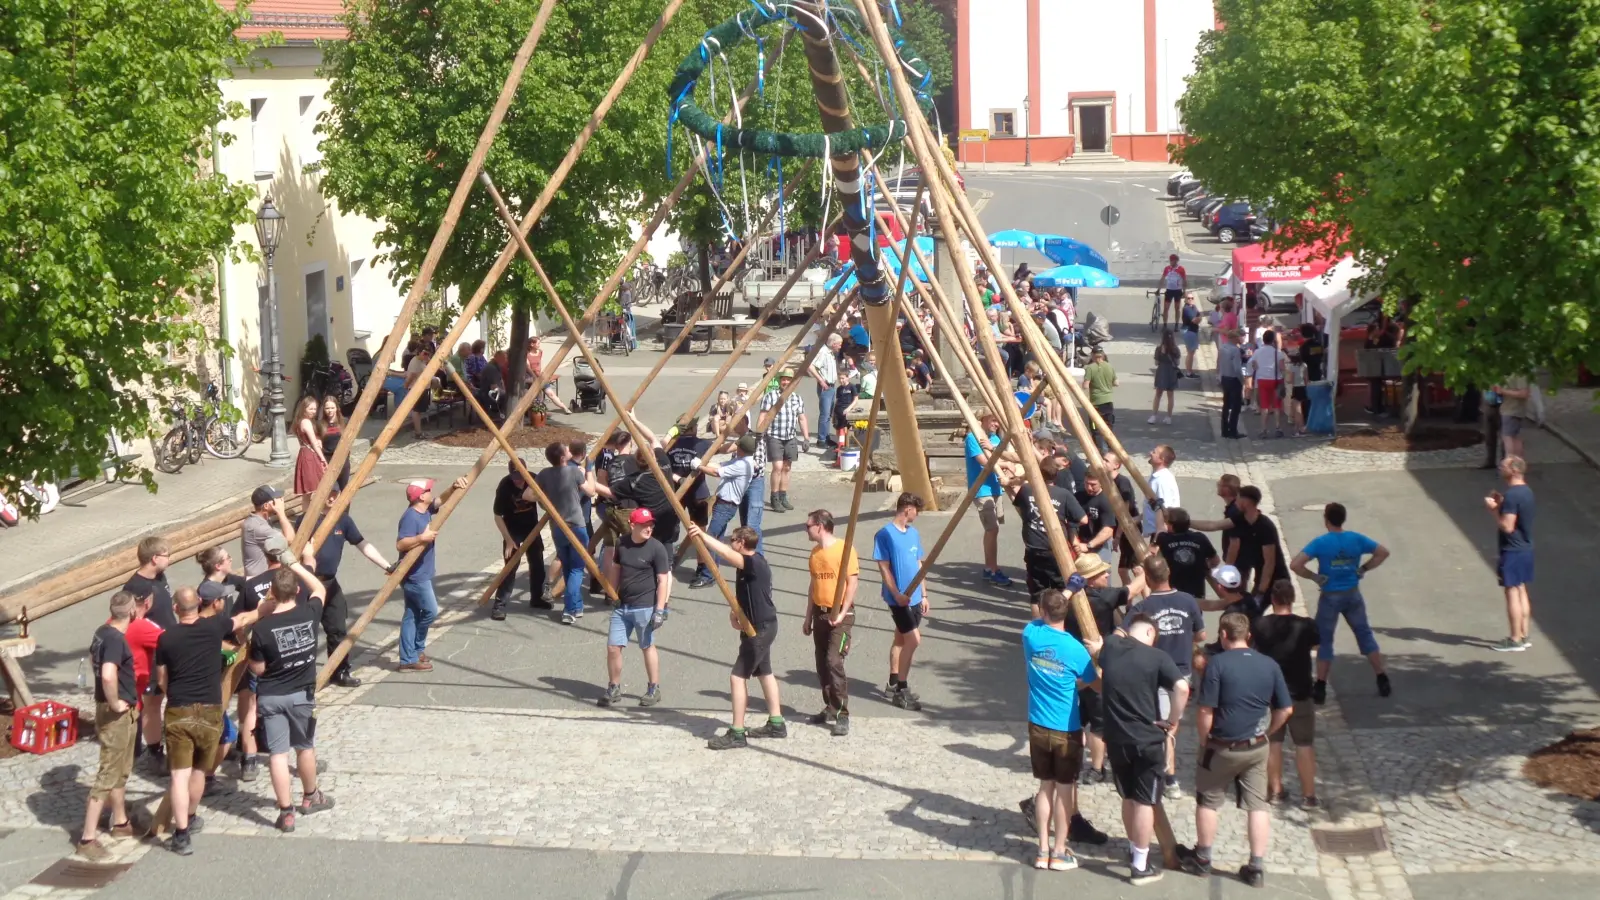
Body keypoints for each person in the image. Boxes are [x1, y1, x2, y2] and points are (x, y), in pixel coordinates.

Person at [156, 583, 275, 855]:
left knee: (178, 776)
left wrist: (172, 694)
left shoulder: (166, 638)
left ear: (175, 609)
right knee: (199, 771)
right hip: (209, 709)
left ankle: (181, 833)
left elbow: (162, 679)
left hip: (178, 710)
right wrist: (266, 607)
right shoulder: (212, 628)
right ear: (198, 603)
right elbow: (243, 619)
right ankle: (193, 815)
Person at [1178, 613, 1293, 889]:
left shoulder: (1217, 665)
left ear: (1223, 635)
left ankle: (1203, 859)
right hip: (1256, 747)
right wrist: (1267, 732)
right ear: (1248, 636)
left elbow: (1206, 710)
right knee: (1258, 805)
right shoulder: (1269, 664)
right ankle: (1256, 867)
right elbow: (1286, 708)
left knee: (1208, 801)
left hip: (1222, 746)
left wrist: (1206, 740)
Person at [1100, 612, 1189, 885]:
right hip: (1147, 740)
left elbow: (1112, 636)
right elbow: (1182, 688)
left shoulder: (1111, 648)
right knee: (1145, 801)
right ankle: (1140, 865)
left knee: (1127, 797)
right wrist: (1173, 721)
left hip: (1116, 739)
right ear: (1151, 633)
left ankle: (1132, 847)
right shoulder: (1158, 657)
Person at [249, 561, 333, 834]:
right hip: (301, 695)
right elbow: (319, 587)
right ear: (297, 591)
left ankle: (286, 812)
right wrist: (297, 565)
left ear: (272, 593)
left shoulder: (262, 629)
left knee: (277, 754)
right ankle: (311, 796)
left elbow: (258, 668)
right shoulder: (309, 613)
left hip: (271, 696)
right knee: (305, 747)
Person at [1022, 589, 1101, 872]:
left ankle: (1042, 850)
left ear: (1043, 611)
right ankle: (1059, 851)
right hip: (1066, 729)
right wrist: (1098, 653)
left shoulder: (1031, 635)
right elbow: (1097, 685)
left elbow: (1039, 618)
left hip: (1038, 725)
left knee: (1045, 787)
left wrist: (1065, 591)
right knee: (1065, 791)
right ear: (1066, 613)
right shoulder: (1075, 649)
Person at [693, 525, 786, 750]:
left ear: (742, 543)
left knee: (737, 677)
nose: (730, 542)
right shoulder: (751, 564)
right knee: (765, 672)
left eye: (733, 539)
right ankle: (776, 723)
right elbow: (748, 592)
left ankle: (737, 732)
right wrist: (736, 612)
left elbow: (725, 554)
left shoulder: (753, 562)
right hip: (759, 625)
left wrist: (702, 536)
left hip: (761, 629)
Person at [1288, 502, 1391, 702]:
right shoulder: (1356, 539)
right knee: (1364, 634)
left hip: (1330, 597)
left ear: (1326, 519)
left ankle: (1320, 686)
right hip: (1353, 594)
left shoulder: (1321, 542)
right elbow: (1382, 552)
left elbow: (1296, 564)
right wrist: (1364, 569)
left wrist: (1315, 577)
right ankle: (1381, 677)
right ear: (1343, 518)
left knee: (1325, 640)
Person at [1123, 556, 1205, 798]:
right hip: (1183, 673)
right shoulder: (1188, 600)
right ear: (1169, 573)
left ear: (1146, 578)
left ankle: (1169, 779)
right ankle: (1166, 774)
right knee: (1170, 725)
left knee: (1164, 728)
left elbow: (1125, 635)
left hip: (1156, 675)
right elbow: (1201, 635)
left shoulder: (1143, 608)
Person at [297, 483, 393, 687]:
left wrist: (387, 565)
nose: (332, 498)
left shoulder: (343, 520)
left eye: (336, 494)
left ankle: (339, 672)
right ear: (319, 495)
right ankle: (304, 679)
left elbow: (362, 544)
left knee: (338, 629)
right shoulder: (306, 521)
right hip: (307, 585)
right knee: (307, 634)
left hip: (330, 584)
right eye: (328, 494)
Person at [77, 592, 141, 861]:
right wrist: (115, 703)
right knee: (107, 774)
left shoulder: (102, 632)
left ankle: (120, 822)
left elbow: (96, 663)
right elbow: (106, 674)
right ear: (133, 612)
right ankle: (87, 838)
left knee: (120, 769)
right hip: (116, 714)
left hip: (116, 712)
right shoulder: (115, 640)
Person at [1251, 580, 1322, 808]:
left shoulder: (1260, 625)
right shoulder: (1307, 625)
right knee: (1304, 744)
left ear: (1272, 600)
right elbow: (1318, 647)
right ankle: (1309, 796)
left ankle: (1275, 791)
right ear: (1291, 600)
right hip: (1300, 691)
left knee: (1274, 743)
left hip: (1271, 694)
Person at [394, 476, 470, 670]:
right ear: (420, 496)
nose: (431, 493)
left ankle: (409, 657)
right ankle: (414, 651)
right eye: (428, 491)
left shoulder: (425, 509)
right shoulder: (410, 517)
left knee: (412, 615)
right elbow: (401, 543)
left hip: (424, 572)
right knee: (430, 611)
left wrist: (453, 487)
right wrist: (422, 538)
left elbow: (440, 501)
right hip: (415, 575)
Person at [599, 508, 671, 708]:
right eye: (644, 525)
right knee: (613, 647)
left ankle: (653, 688)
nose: (649, 528)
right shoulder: (621, 543)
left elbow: (663, 580)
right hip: (622, 606)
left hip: (645, 607)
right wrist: (612, 593)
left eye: (650, 525)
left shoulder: (657, 548)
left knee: (646, 646)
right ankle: (614, 687)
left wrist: (659, 610)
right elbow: (616, 568)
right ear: (632, 525)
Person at [803, 509, 859, 736]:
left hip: (841, 616)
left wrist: (842, 612)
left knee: (834, 661)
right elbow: (813, 586)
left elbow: (852, 583)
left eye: (808, 526)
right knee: (821, 664)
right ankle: (830, 707)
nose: (806, 529)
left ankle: (842, 713)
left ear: (820, 526)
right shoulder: (815, 554)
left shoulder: (844, 550)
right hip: (820, 613)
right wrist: (808, 617)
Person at [534, 442, 600, 624]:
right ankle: (569, 610)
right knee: (577, 568)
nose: (569, 450)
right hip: (576, 526)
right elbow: (592, 491)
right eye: (566, 449)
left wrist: (546, 502)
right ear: (563, 457)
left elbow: (529, 495)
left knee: (568, 567)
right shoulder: (574, 472)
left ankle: (577, 606)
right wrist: (589, 470)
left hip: (557, 527)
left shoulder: (544, 474)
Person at [875, 492, 929, 711]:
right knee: (913, 640)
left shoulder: (913, 533)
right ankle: (901, 690)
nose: (917, 515)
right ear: (907, 509)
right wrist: (896, 594)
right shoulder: (885, 534)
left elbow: (919, 564)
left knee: (900, 639)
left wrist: (924, 595)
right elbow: (884, 567)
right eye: (916, 510)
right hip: (899, 600)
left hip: (915, 598)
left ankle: (892, 682)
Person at [1006, 456, 1088, 602]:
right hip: (1056, 549)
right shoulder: (1063, 494)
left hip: (1033, 548)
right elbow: (1084, 519)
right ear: (1056, 475)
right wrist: (1067, 524)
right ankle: (1060, 620)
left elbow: (1019, 505)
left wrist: (1008, 484)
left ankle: (1039, 623)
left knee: (1037, 595)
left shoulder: (1026, 489)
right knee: (1064, 589)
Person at [691, 434, 760, 588]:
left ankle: (708, 575)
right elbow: (721, 466)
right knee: (716, 540)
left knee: (709, 538)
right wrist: (704, 462)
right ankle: (712, 572)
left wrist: (699, 467)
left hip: (726, 505)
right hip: (724, 504)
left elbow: (717, 473)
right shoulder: (741, 461)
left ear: (742, 449)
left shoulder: (742, 464)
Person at [1486, 456, 1535, 651]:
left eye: (1504, 466)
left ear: (1513, 471)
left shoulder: (1512, 496)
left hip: (1512, 550)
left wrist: (1493, 511)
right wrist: (1502, 505)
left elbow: (1507, 526)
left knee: (1511, 592)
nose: (1500, 467)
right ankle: (1524, 634)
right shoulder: (1526, 491)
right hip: (1526, 547)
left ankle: (1515, 639)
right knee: (1521, 589)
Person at [492, 459, 549, 620]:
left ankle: (536, 598)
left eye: (520, 476)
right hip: (512, 530)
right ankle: (499, 604)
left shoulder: (534, 479)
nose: (518, 480)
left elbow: (545, 500)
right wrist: (508, 540)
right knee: (510, 567)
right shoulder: (505, 486)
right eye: (515, 477)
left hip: (532, 528)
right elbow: (498, 516)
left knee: (537, 564)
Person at [966, 409, 1013, 586]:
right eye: (993, 420)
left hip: (995, 488)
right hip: (982, 490)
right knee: (991, 529)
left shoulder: (995, 439)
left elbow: (1002, 459)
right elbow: (984, 461)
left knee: (993, 530)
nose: (995, 424)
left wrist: (1009, 466)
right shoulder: (973, 438)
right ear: (983, 420)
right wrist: (1006, 463)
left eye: (997, 421)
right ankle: (992, 569)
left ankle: (989, 567)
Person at [760, 369, 808, 512]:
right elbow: (763, 415)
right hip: (774, 435)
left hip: (790, 436)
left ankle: (783, 496)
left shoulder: (796, 398)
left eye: (789, 380)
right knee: (778, 467)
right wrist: (759, 432)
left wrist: (806, 438)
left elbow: (802, 418)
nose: (786, 382)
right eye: (783, 379)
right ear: (780, 381)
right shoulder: (771, 396)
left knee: (787, 468)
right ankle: (774, 498)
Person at [1224, 486, 1282, 605]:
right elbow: (1212, 525)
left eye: (1238, 499)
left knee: (1252, 610)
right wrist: (1187, 522)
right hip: (1247, 562)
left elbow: (1269, 562)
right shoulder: (1239, 518)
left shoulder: (1266, 526)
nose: (1236, 502)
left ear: (1245, 502)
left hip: (1267, 575)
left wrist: (1260, 592)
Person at [1155, 507, 1220, 600]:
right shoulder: (1200, 538)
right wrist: (1202, 566)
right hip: (1197, 592)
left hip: (1174, 592)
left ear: (1171, 526)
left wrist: (1158, 509)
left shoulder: (1165, 539)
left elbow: (1159, 528)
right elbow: (1215, 560)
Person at [241, 486, 296, 579]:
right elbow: (290, 539)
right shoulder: (258, 527)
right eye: (275, 500)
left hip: (263, 576)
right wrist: (281, 512)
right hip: (258, 580)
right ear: (266, 506)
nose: (279, 501)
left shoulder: (260, 519)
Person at [125, 536, 177, 630]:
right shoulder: (134, 588)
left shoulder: (160, 576)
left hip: (172, 636)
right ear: (155, 558)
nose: (169, 559)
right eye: (167, 556)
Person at [1245, 329, 1288, 439]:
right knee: (1276, 405)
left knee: (1264, 406)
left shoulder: (1258, 352)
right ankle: (1278, 427)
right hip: (1276, 380)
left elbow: (1251, 363)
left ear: (1263, 340)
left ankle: (1264, 429)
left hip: (1262, 380)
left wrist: (1254, 371)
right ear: (1273, 340)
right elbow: (1282, 368)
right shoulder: (1278, 353)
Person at [1142, 445, 1181, 545]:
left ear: (1161, 459)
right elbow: (1153, 506)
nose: (1150, 453)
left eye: (1154, 452)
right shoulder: (1157, 477)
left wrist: (1156, 543)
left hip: (1161, 536)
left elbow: (1165, 512)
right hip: (1158, 534)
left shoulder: (1163, 480)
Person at [290, 396, 328, 496]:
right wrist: (323, 458)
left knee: (307, 492)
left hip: (303, 453)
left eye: (315, 409)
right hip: (310, 455)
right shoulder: (306, 422)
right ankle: (318, 510)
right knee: (318, 486)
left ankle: (306, 511)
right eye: (310, 409)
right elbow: (314, 443)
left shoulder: (299, 421)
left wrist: (318, 440)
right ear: (304, 409)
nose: (313, 411)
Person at [809, 334, 843, 446]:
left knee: (829, 414)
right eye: (839, 344)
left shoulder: (831, 353)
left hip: (832, 386)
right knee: (825, 413)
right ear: (833, 344)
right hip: (826, 386)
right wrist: (821, 381)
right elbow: (811, 366)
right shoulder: (823, 352)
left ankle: (826, 436)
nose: (840, 346)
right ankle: (821, 440)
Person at [1492, 375, 1532, 461]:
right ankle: (1516, 466)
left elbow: (1524, 393)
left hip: (1513, 410)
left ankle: (1511, 465)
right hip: (1508, 409)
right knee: (1513, 437)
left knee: (1508, 438)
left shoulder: (1519, 373)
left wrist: (1502, 391)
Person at [403, 343, 437, 440]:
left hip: (422, 389)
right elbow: (411, 376)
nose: (427, 356)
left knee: (419, 410)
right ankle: (418, 433)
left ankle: (419, 431)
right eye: (425, 353)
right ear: (419, 352)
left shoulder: (421, 361)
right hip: (416, 389)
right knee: (416, 411)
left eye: (428, 354)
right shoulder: (416, 362)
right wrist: (406, 386)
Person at [318, 396, 351, 490]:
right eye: (327, 408)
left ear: (337, 408)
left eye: (332, 408)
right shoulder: (320, 424)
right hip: (328, 460)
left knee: (344, 489)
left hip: (342, 459)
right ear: (323, 409)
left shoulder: (344, 422)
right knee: (332, 491)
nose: (330, 410)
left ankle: (346, 505)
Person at [1149, 330, 1181, 425]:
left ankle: (1154, 416)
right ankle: (1169, 417)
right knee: (1170, 396)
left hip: (1162, 372)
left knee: (1158, 395)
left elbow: (1156, 363)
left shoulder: (1159, 349)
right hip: (1171, 372)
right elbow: (1178, 363)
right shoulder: (1175, 349)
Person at [1217, 330, 1245, 439]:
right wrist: (1242, 380)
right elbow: (1237, 368)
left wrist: (1219, 375)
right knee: (1236, 407)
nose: (1240, 339)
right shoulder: (1235, 350)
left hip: (1225, 378)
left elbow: (1219, 362)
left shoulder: (1223, 348)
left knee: (1226, 405)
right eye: (1238, 337)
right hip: (1234, 379)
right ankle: (1233, 430)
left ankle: (1224, 430)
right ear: (1234, 338)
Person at [1160, 254, 1187, 327]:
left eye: (1172, 260)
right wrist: (1158, 289)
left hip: (1177, 291)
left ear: (1175, 261)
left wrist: (1184, 292)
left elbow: (1184, 281)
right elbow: (1162, 279)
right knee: (1166, 308)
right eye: (1170, 260)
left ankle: (1176, 324)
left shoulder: (1181, 269)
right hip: (1169, 290)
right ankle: (1165, 324)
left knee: (1177, 308)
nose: (1170, 262)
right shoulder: (1167, 268)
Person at [1180, 294, 1201, 378]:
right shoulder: (1187, 309)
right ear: (1185, 300)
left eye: (1192, 298)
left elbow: (1199, 316)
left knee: (1191, 352)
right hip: (1189, 331)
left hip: (1192, 331)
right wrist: (1199, 319)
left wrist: (1199, 318)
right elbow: (1195, 320)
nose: (1190, 299)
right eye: (1188, 298)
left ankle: (1189, 371)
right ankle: (1189, 372)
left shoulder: (1194, 307)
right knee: (1190, 353)